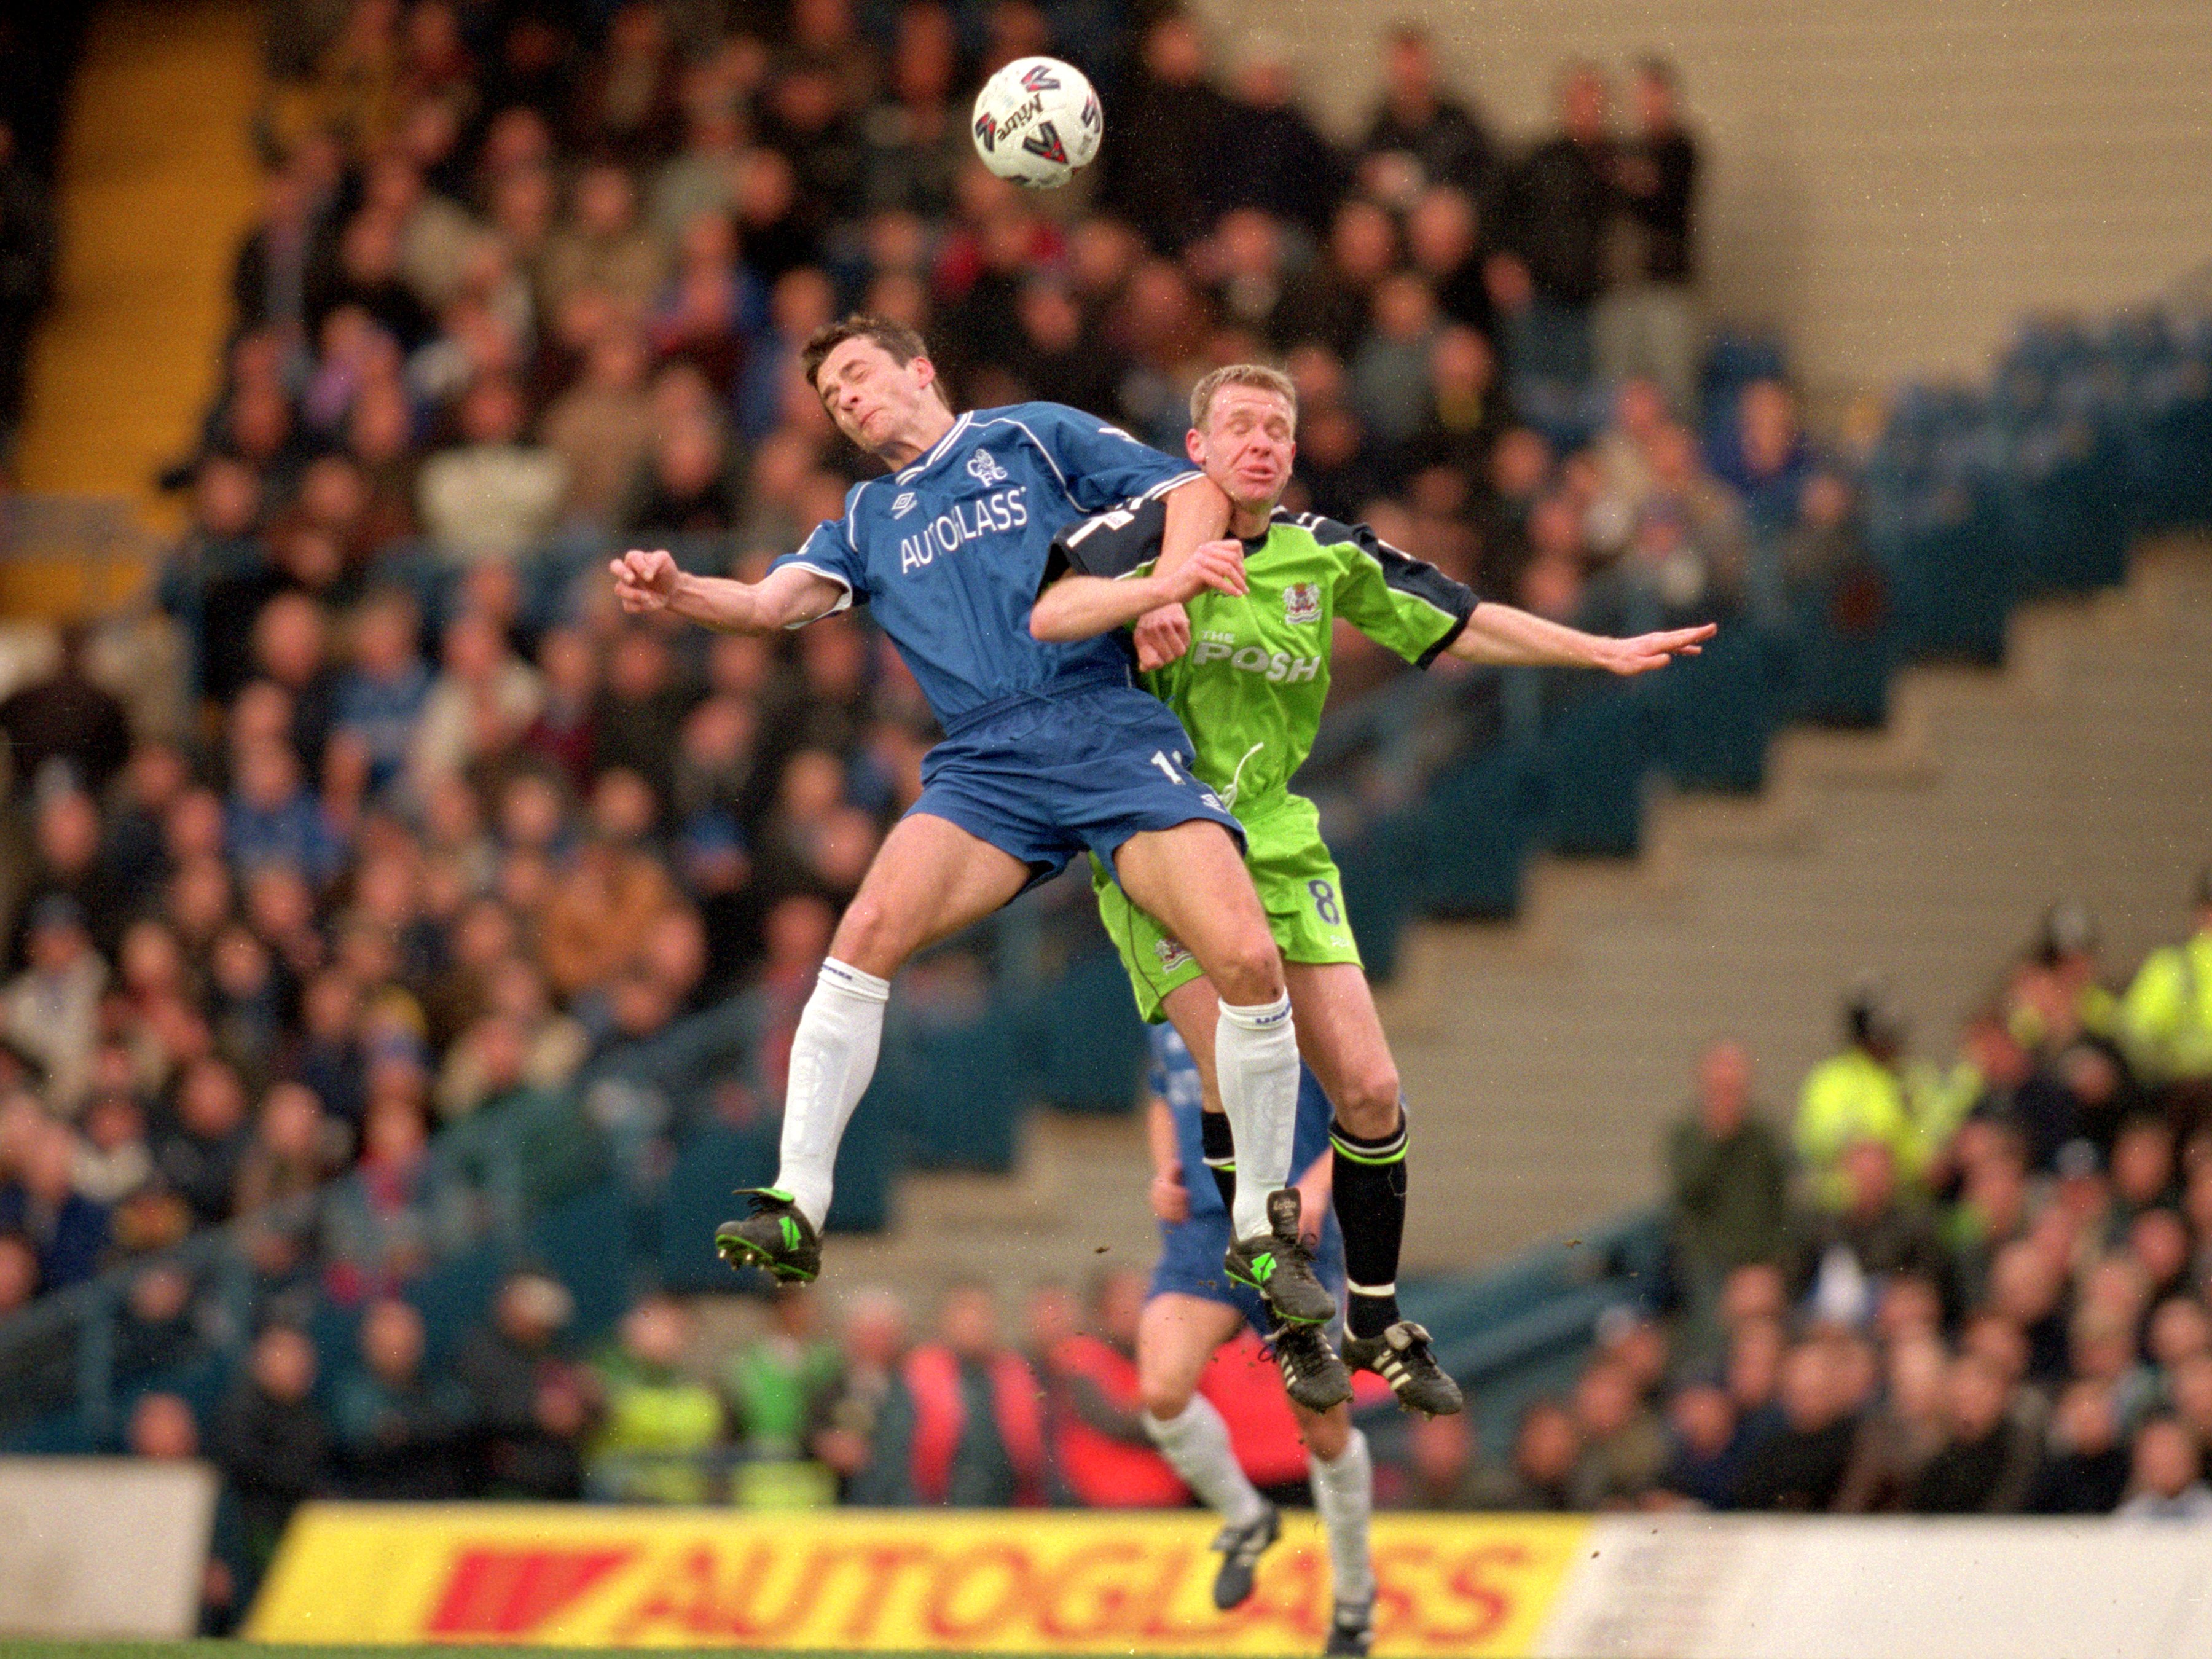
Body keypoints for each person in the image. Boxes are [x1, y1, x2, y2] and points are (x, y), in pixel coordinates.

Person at [612, 316, 1333, 1336]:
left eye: (859, 375)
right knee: (862, 936)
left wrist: (1163, 583)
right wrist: (681, 589)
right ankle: (798, 1204)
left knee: (1249, 963)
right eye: (830, 397)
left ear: (919, 370)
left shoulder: (1029, 436)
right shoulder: (865, 517)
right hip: (986, 760)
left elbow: (1191, 488)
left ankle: (1264, 1231)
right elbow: (774, 604)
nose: (848, 401)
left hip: (1104, 729)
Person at [1031, 362, 1709, 1408]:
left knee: (1374, 1091)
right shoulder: (1139, 532)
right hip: (1158, 836)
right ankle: (1272, 1274)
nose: (1262, 442)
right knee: (1236, 1070)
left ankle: (1378, 1318)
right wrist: (1150, 595)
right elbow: (1053, 610)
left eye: (1280, 428)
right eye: (1241, 426)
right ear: (1198, 448)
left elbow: (1460, 620)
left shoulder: (1324, 553)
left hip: (1280, 840)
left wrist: (1599, 649)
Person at [1132, 1022, 1376, 1658]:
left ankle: (1353, 1600)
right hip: (1206, 1233)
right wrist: (1165, 1169)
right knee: (1161, 1388)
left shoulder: (1294, 995)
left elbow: (1380, 1108)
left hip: (1288, 1235)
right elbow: (1163, 1090)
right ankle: (1248, 1519)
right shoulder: (1168, 988)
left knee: (1321, 1428)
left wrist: (1319, 1187)